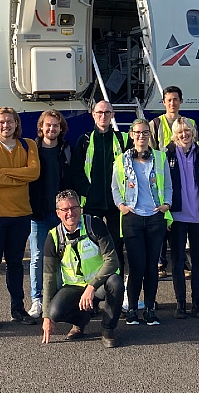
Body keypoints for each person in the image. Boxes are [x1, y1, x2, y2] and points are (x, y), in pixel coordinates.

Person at [0, 107, 40, 329]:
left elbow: (34, 173)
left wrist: (5, 172)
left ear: (16, 123)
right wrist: (19, 177)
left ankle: (17, 309)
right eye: (1, 122)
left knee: (15, 264)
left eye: (10, 121)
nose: (6, 125)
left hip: (21, 213)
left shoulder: (28, 145)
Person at [41, 190, 123, 348]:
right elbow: (49, 279)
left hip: (99, 285)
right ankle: (80, 321)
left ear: (80, 208)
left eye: (74, 207)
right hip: (74, 287)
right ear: (58, 213)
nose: (70, 213)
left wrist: (92, 286)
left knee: (116, 283)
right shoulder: (53, 237)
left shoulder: (95, 224)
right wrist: (46, 317)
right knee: (55, 312)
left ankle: (107, 329)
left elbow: (112, 260)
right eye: (65, 210)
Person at [112, 118, 172, 325]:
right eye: (137, 133)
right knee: (136, 267)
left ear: (149, 135)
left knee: (151, 267)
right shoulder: (121, 160)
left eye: (145, 132)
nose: (141, 136)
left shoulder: (160, 157)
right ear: (131, 135)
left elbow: (169, 186)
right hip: (132, 218)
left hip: (155, 217)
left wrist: (167, 204)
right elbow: (114, 187)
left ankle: (149, 308)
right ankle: (131, 309)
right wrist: (122, 206)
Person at [165, 117, 199, 319]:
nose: (184, 135)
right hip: (177, 216)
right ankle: (180, 303)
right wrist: (167, 215)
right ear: (175, 135)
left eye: (187, 131)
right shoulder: (167, 155)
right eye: (180, 132)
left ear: (193, 133)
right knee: (177, 262)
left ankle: (197, 302)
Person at [71, 101, 130, 272]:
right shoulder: (85, 140)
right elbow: (76, 171)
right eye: (100, 112)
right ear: (93, 114)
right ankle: (93, 291)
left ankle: (116, 290)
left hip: (116, 204)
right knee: (91, 247)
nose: (103, 116)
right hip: (91, 204)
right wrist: (88, 192)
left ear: (112, 115)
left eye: (107, 113)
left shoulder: (123, 139)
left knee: (116, 247)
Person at [27, 110, 73, 318]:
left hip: (61, 215)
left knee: (63, 257)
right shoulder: (32, 149)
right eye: (48, 125)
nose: (51, 129)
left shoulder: (66, 150)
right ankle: (37, 299)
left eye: (55, 125)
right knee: (37, 257)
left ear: (60, 128)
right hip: (38, 214)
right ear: (41, 127)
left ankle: (58, 298)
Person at [149, 86, 196, 279]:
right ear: (164, 102)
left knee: (180, 222)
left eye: (175, 99)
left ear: (180, 101)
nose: (172, 103)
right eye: (168, 100)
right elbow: (151, 151)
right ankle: (161, 262)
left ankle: (183, 261)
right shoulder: (155, 124)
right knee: (162, 222)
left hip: (182, 179)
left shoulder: (190, 122)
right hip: (161, 179)